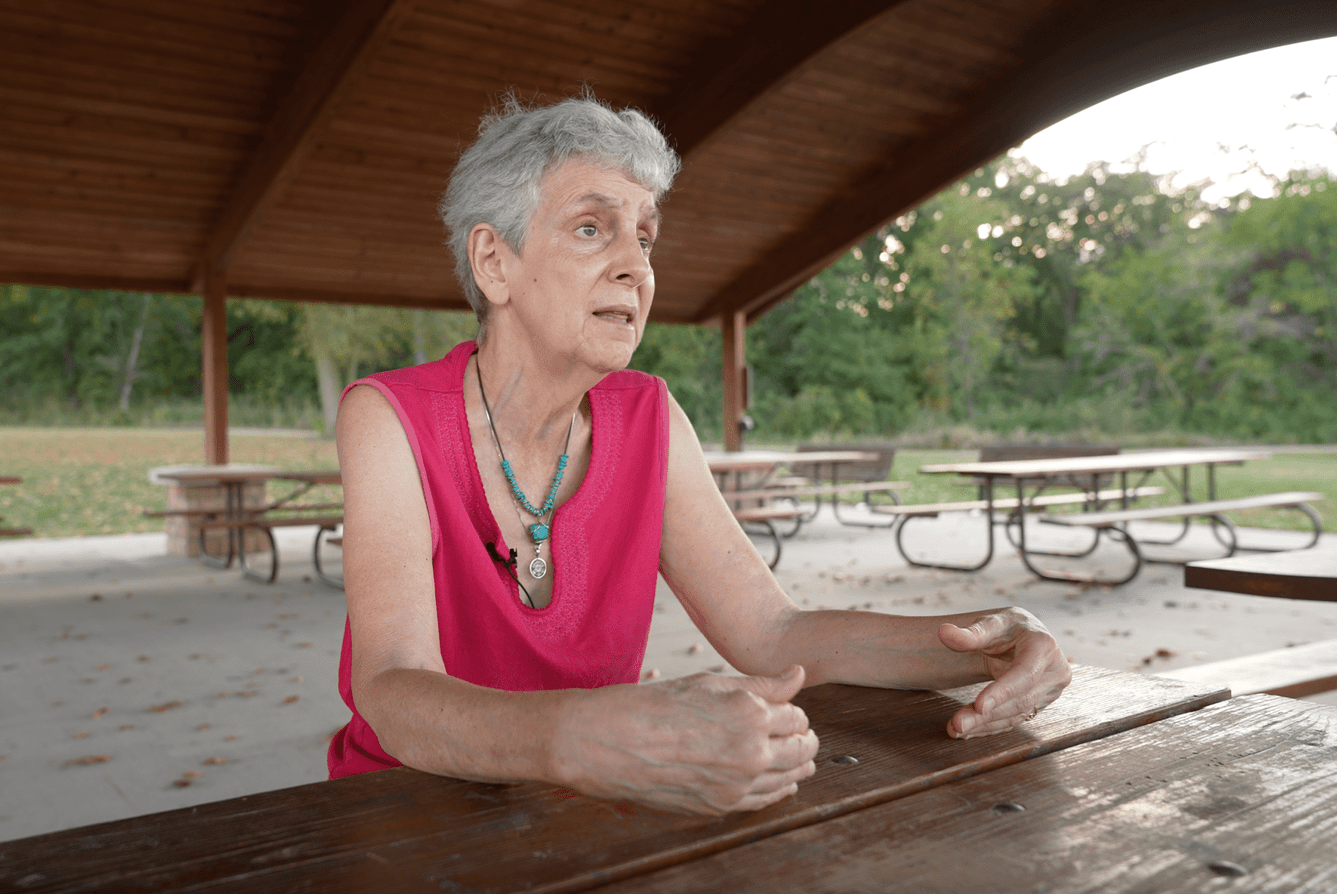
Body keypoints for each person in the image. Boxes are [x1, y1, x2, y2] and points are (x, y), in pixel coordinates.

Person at [328, 95, 1071, 815]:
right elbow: (392, 685)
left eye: (644, 238)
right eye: (592, 228)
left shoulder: (648, 415)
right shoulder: (389, 417)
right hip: (404, 810)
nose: (636, 268)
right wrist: (580, 735)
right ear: (495, 261)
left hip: (589, 806)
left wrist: (982, 649)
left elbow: (772, 632)